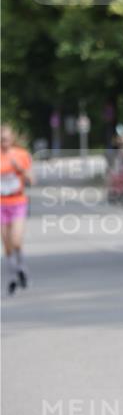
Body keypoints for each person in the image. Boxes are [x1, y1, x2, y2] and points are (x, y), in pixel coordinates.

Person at [1, 124, 33, 295]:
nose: (3, 143)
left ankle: (21, 268)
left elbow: (32, 180)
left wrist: (19, 168)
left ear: (12, 139)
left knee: (17, 241)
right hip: (1, 204)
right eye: (1, 140)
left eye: (6, 139)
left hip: (18, 201)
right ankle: (14, 276)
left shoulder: (21, 155)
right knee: (6, 246)